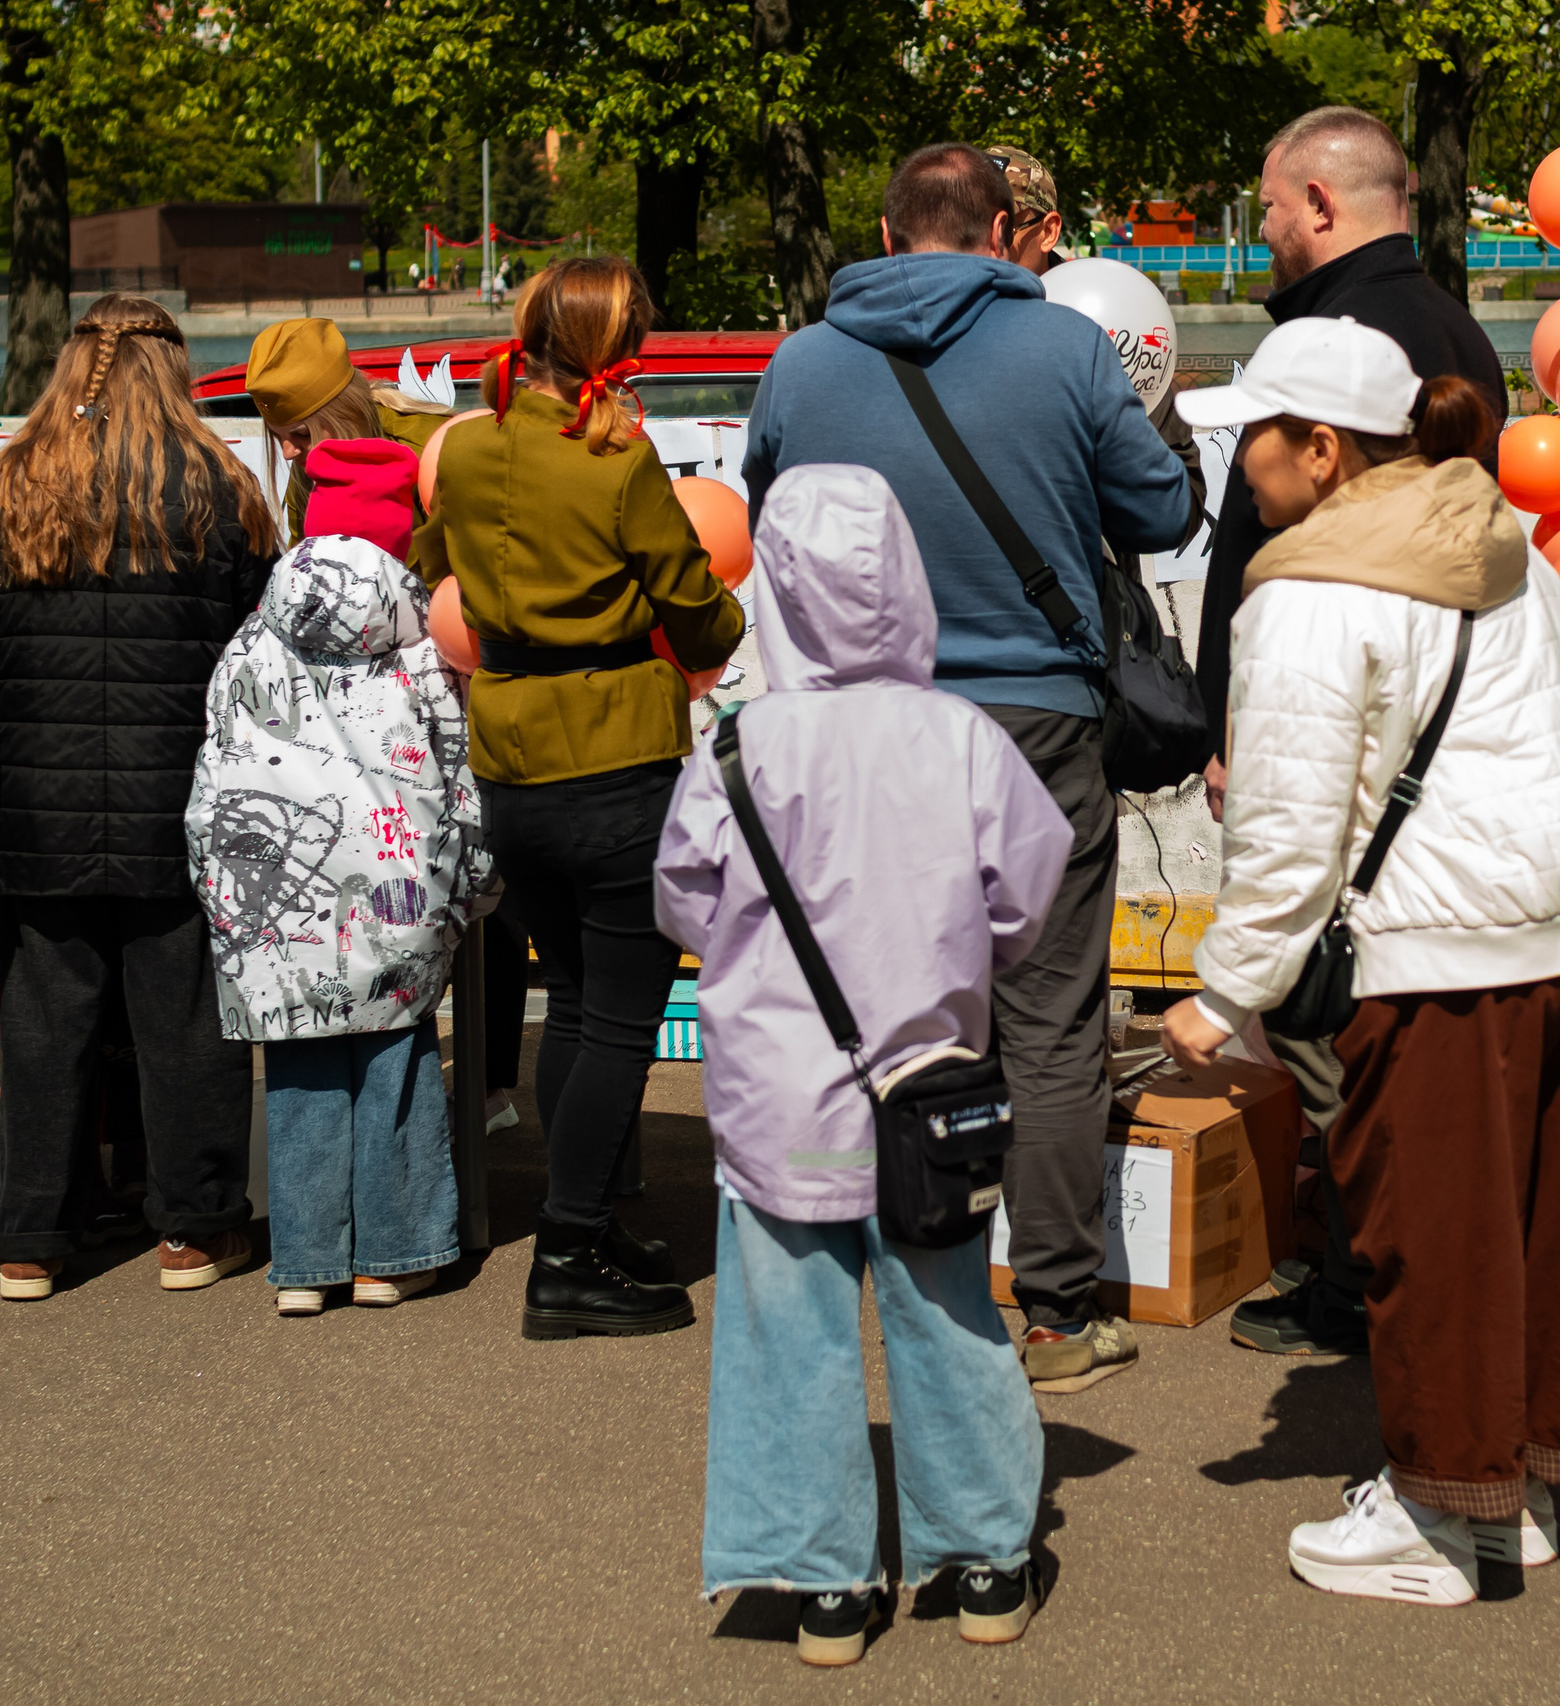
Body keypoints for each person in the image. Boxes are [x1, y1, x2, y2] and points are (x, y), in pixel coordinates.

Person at [1159, 318, 1560, 1607]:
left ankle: (1438, 1517)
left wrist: (1221, 996)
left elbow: (1285, 823)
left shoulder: (1309, 590)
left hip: (1445, 943)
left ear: (1320, 450)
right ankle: (1534, 1489)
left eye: (1251, 444)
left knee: (1429, 1235)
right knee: (1550, 1228)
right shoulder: (1495, 535)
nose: (1238, 476)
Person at [741, 142, 1193, 1393]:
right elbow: (1161, 515)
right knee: (1051, 1016)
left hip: (859, 737)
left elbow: (775, 521)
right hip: (1037, 721)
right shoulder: (1063, 350)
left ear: (885, 236)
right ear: (1005, 230)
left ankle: (882, 1275)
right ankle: (1052, 1309)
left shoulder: (802, 362)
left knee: (878, 1005)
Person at [657, 464, 1069, 1667]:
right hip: (927, 1090)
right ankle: (988, 1555)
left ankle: (825, 1581)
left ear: (775, 589)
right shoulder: (963, 737)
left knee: (788, 1328)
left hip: (784, 1098)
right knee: (945, 1312)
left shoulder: (740, 747)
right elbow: (1027, 898)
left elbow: (683, 901)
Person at [1198, 106, 1510, 1366]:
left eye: (1270, 209)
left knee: (1326, 1008)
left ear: (1321, 203)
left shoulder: (1337, 342)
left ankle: (1360, 1274)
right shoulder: (1455, 331)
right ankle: (1377, 1260)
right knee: (1376, 1011)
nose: (1261, 231)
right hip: (1425, 728)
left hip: (1340, 724)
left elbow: (1292, 555)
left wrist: (1245, 725)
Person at [428, 255, 743, 1340]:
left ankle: (591, 1222)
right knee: (619, 1020)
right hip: (615, 759)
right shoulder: (621, 463)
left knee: (569, 997)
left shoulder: (464, 448)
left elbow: (440, 557)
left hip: (507, 757)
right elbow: (703, 618)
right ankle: (567, 1245)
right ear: (623, 355)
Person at [0, 293, 277, 1303]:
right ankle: (193, 1227)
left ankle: (32, 1238)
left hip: (36, 799)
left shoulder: (5, 484)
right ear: (171, 370)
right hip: (177, 792)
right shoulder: (220, 486)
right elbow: (253, 631)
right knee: (185, 1019)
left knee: (45, 1021)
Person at [185, 438, 494, 1316]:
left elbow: (218, 770)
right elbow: (458, 772)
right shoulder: (422, 647)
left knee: (299, 1064)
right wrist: (472, 884)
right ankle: (393, 1255)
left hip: (280, 907)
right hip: (397, 893)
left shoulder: (253, 639)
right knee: (392, 1056)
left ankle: (310, 1260)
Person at [987, 144, 1206, 580]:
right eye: (966, 227)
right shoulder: (949, 322)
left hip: (1090, 607)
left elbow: (1182, 507)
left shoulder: (1113, 320)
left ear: (1048, 231)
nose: (984, 246)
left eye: (1003, 228)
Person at [244, 317, 449, 546]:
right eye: (277, 436)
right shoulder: (308, 470)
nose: (287, 453)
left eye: (303, 434)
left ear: (347, 413)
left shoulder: (431, 451)